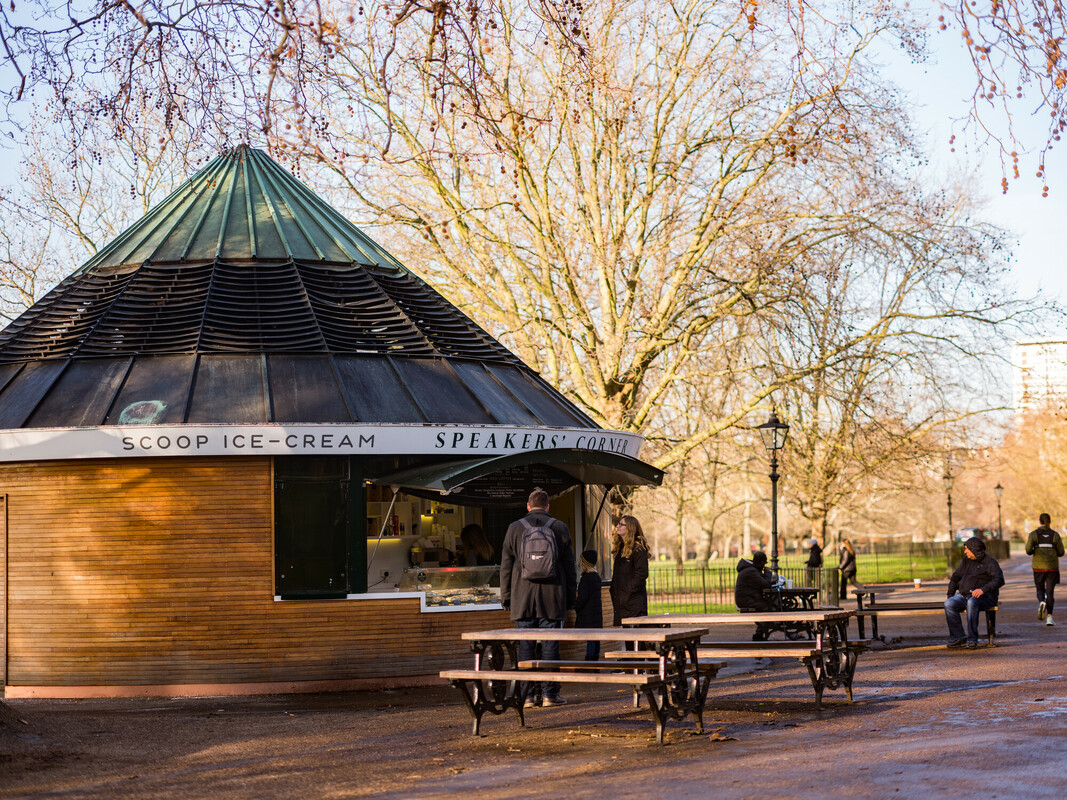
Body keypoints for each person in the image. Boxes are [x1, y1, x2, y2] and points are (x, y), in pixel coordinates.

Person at [499, 487, 577, 708]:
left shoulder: (514, 528)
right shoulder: (560, 527)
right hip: (553, 596)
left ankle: (527, 696)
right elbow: (570, 567)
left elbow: (505, 566)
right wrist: (571, 598)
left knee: (526, 645)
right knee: (551, 644)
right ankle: (550, 695)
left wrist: (506, 597)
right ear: (548, 506)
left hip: (522, 597)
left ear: (528, 505)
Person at [944, 536, 1005, 649]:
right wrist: (950, 595)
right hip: (964, 595)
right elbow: (955, 577)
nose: (965, 551)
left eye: (967, 549)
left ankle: (972, 639)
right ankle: (958, 637)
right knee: (949, 604)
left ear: (974, 550)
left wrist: (983, 590)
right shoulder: (966, 560)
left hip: (986, 597)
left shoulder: (990, 562)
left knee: (972, 602)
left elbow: (999, 580)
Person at [609, 516, 650, 651]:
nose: (617, 527)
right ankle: (631, 668)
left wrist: (628, 590)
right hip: (622, 601)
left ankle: (641, 667)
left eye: (621, 525)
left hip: (634, 602)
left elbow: (641, 574)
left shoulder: (638, 548)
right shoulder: (621, 548)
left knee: (638, 637)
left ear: (630, 528)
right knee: (628, 637)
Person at [1025, 513, 1065, 626]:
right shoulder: (1055, 535)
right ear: (1050, 521)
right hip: (1052, 567)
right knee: (1050, 592)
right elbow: (1061, 552)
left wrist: (1035, 550)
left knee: (1039, 589)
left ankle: (1042, 602)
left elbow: (1028, 550)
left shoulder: (1034, 534)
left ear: (1039, 521)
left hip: (1038, 567)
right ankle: (1049, 618)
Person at [574, 549, 604, 661]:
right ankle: (595, 662)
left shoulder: (586, 579)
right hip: (595, 617)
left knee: (590, 640)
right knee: (596, 640)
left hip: (588, 617)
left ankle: (589, 663)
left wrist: (574, 605)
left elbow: (582, 598)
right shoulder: (596, 577)